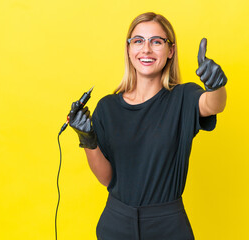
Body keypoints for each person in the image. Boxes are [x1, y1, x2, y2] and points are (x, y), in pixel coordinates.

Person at [69, 12, 227, 240]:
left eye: (156, 41)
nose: (146, 49)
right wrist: (87, 139)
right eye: (138, 41)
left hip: (168, 225)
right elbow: (107, 178)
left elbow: (213, 105)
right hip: (116, 223)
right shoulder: (107, 107)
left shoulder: (182, 97)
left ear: (170, 51)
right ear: (128, 49)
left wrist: (216, 85)